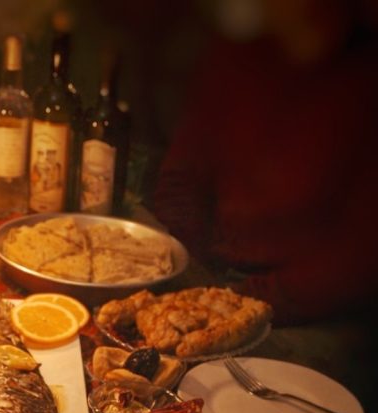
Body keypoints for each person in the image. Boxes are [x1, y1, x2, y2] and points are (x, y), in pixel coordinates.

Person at [152, 0, 378, 327]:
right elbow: (183, 174)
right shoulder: (236, 59)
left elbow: (358, 256)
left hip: (315, 319)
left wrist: (243, 300)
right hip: (215, 278)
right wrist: (192, 270)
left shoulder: (364, 84)